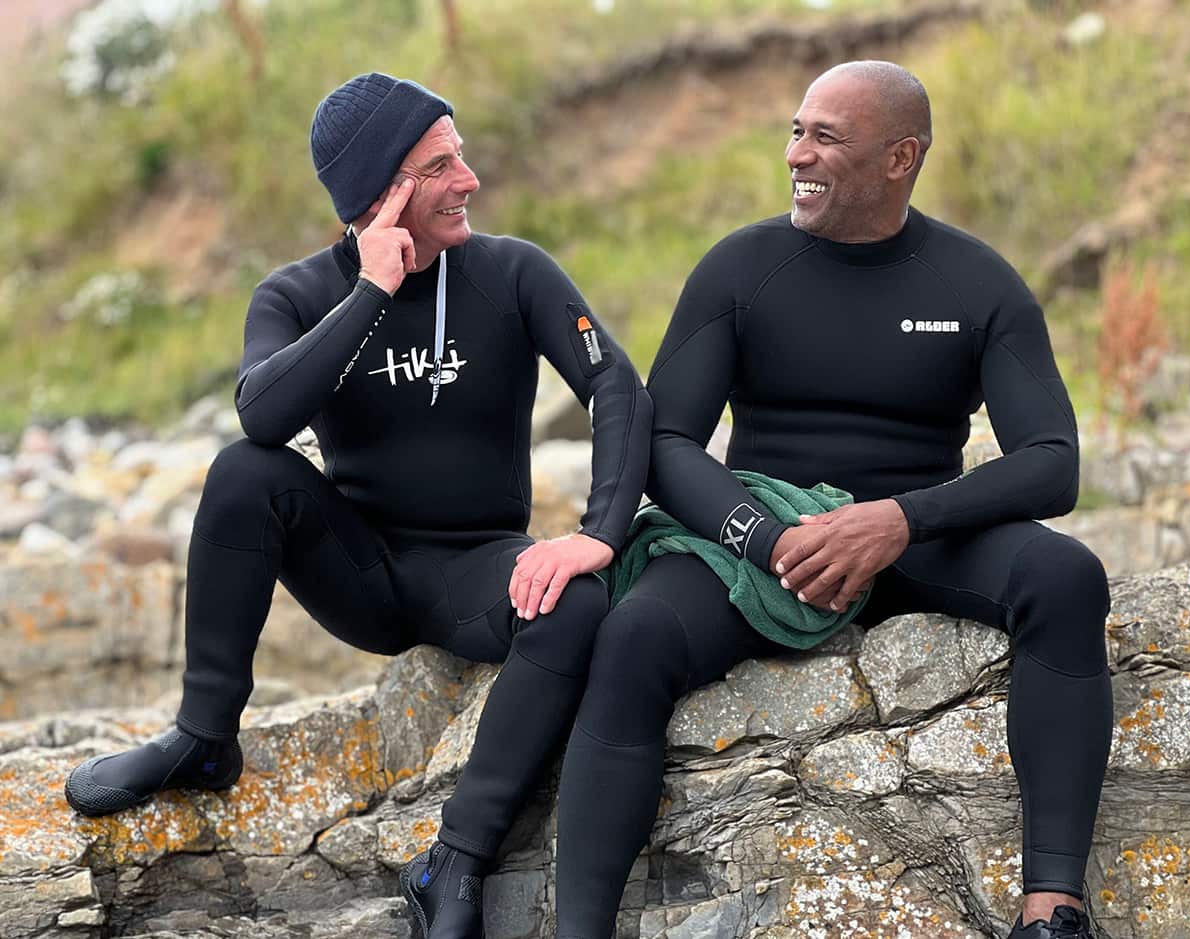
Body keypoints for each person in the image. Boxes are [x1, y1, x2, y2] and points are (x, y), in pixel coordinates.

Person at [63, 72, 652, 939]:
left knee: (578, 602)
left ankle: (455, 860)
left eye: (461, 157)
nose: (470, 180)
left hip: (477, 567)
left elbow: (617, 389)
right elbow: (264, 415)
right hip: (362, 569)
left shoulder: (511, 271)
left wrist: (596, 535)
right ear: (384, 191)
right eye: (442, 165)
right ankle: (203, 736)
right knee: (241, 471)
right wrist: (370, 291)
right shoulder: (297, 293)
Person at [552, 61, 1110, 939]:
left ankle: (1052, 908)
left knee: (1069, 579)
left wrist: (900, 519)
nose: (795, 155)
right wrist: (767, 539)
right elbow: (662, 443)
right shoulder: (742, 268)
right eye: (795, 130)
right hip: (769, 531)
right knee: (635, 633)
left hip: (915, 533)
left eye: (824, 137)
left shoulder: (978, 284)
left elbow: (1053, 461)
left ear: (900, 157)